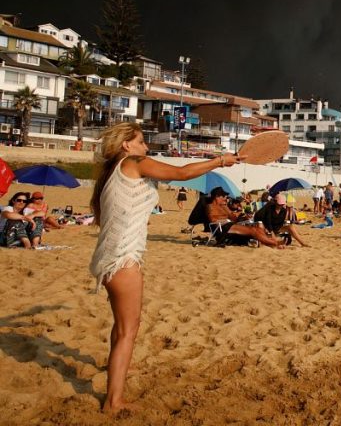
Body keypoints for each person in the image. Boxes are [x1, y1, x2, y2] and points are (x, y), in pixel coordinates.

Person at [88, 122, 246, 413]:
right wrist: (223, 160)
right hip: (124, 259)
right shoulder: (133, 162)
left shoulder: (112, 171)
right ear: (127, 145)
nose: (145, 147)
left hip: (110, 256)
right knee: (128, 330)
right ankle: (113, 401)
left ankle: (117, 367)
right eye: (140, 141)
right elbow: (182, 173)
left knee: (121, 326)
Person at [206, 188, 284, 248]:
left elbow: (233, 218)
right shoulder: (210, 206)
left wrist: (241, 216)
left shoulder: (224, 206)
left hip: (229, 224)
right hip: (222, 228)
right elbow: (213, 220)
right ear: (216, 196)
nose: (225, 198)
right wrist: (226, 217)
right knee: (253, 230)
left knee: (258, 229)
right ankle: (275, 243)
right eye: (223, 196)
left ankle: (270, 243)